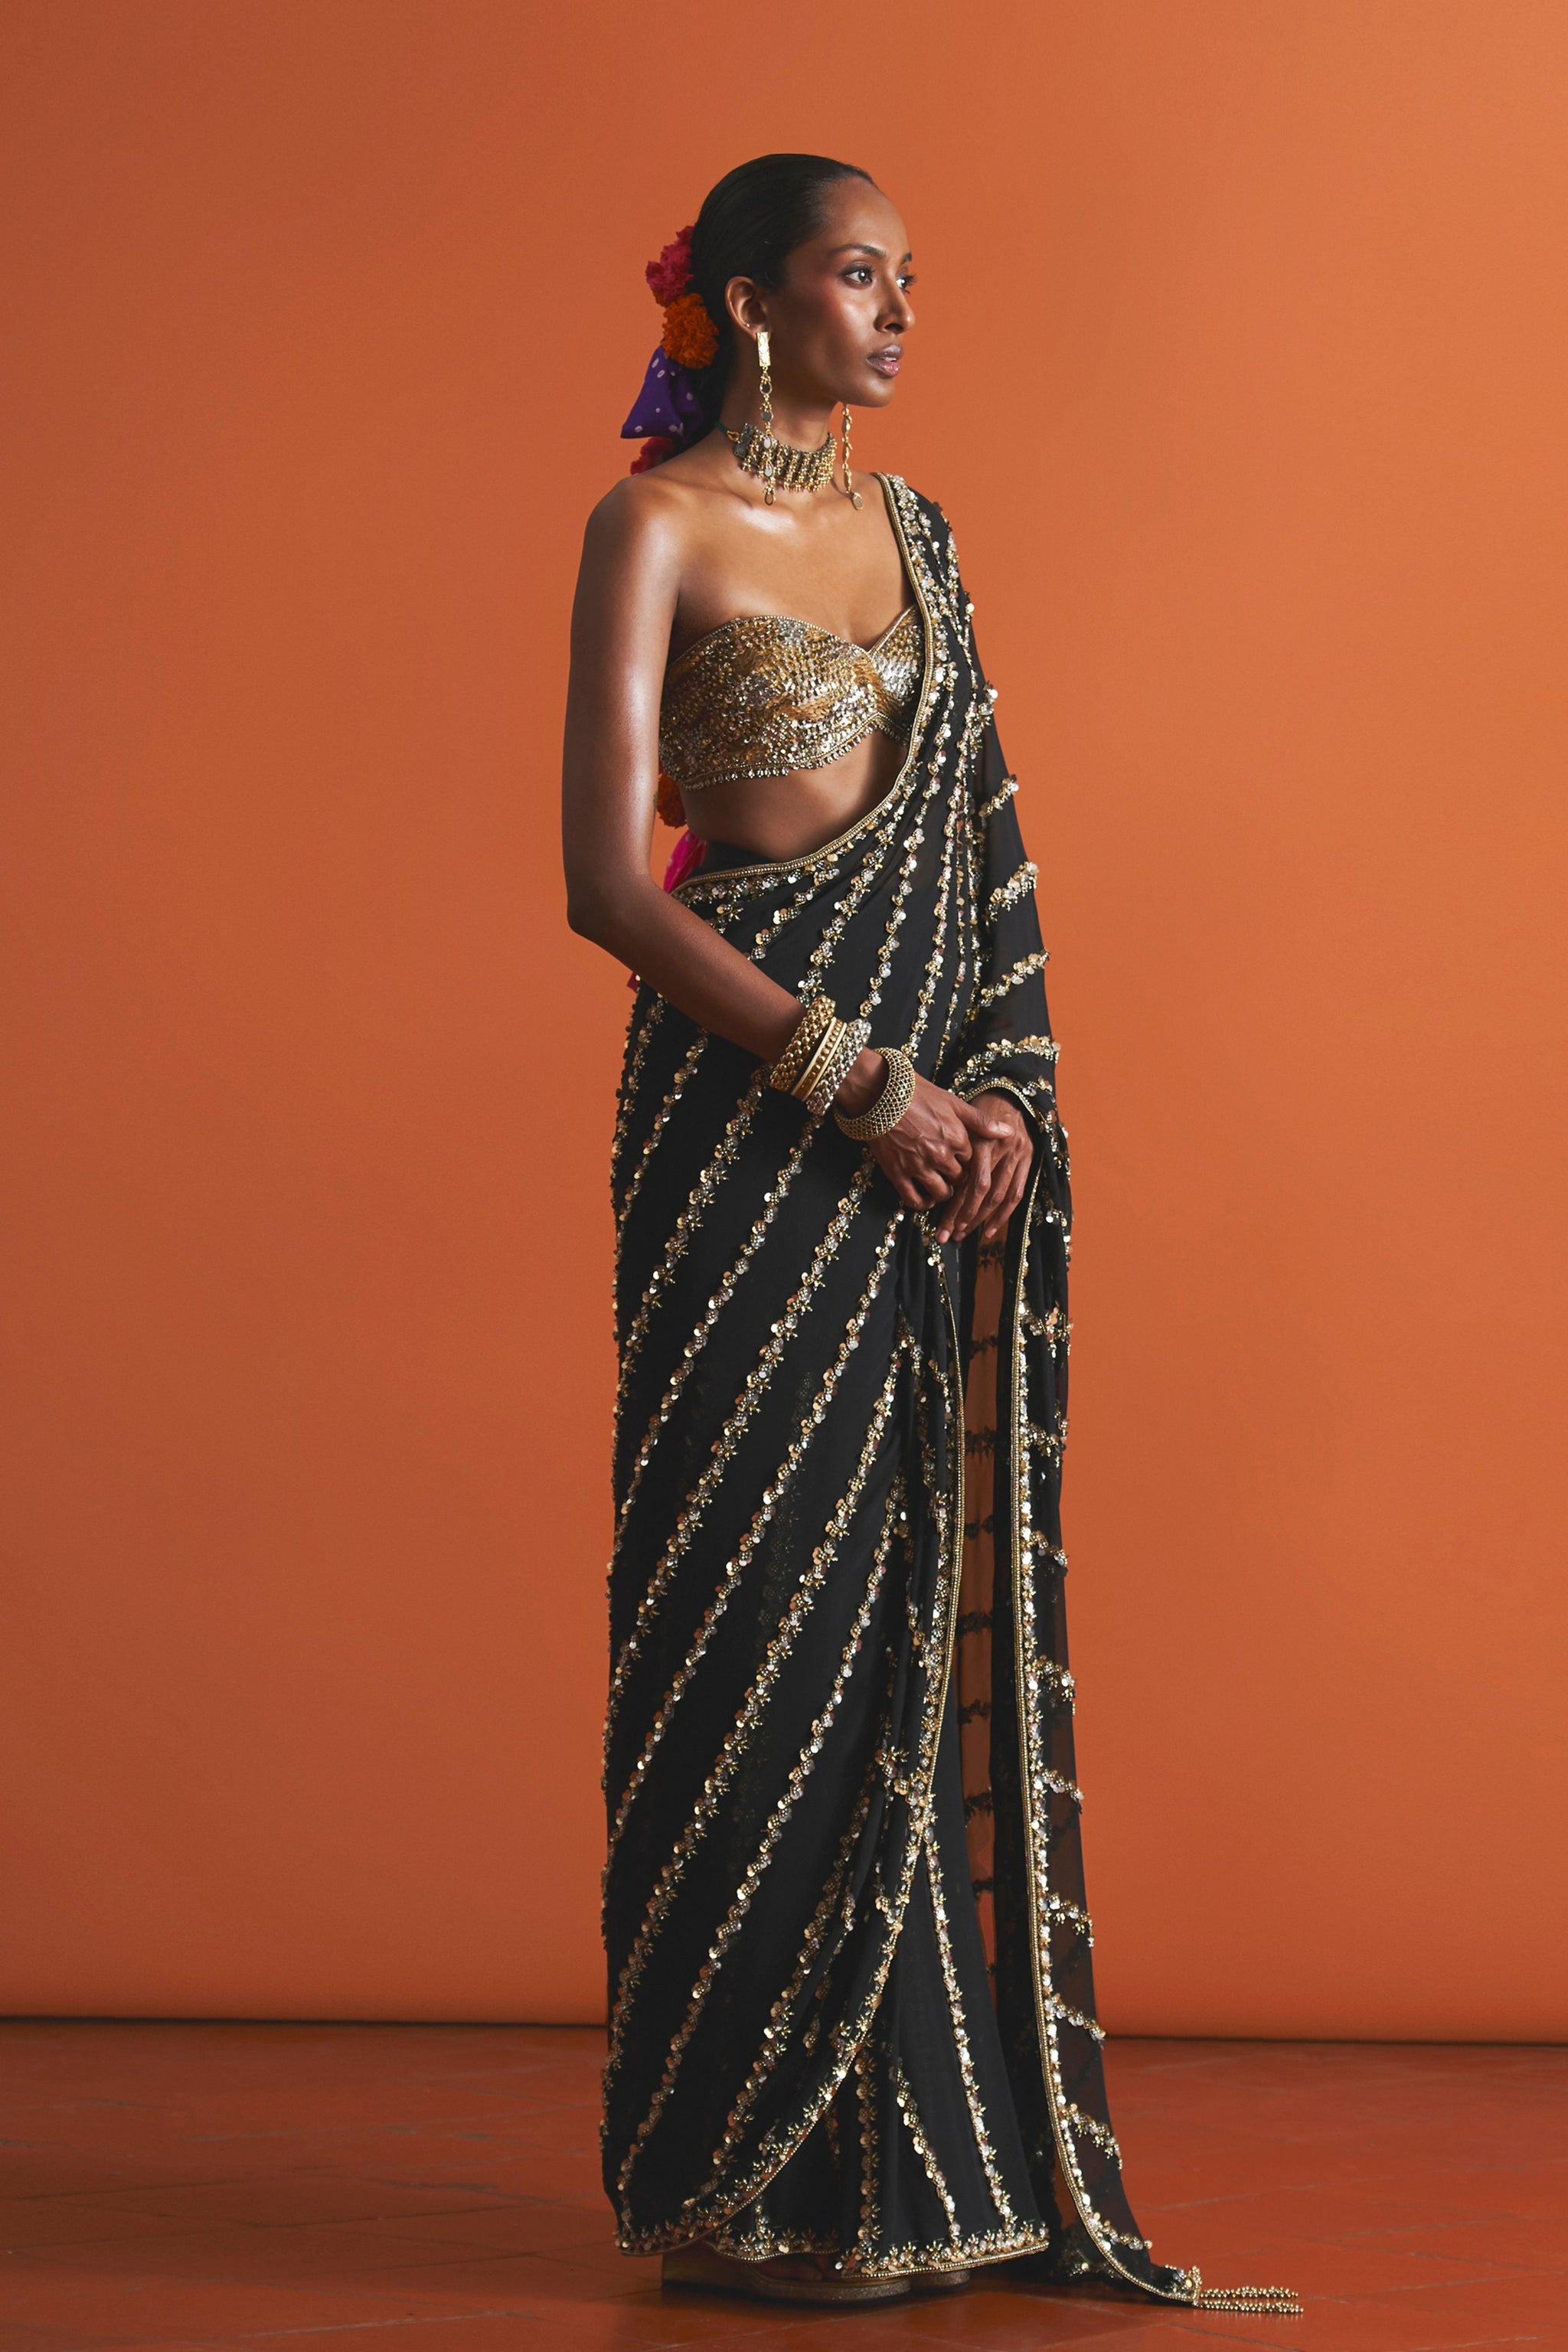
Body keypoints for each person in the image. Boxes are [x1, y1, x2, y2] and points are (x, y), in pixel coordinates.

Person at [561, 153, 1296, 2318]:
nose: (896, 312)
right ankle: (741, 2175)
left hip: (930, 1138)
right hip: (747, 1136)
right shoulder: (655, 526)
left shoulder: (924, 538)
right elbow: (607, 885)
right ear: (751, 303)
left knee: (902, 1593)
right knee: (750, 1612)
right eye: (858, 276)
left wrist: (995, 1105)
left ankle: (918, 2154)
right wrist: (862, 1089)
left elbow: (983, 856)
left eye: (907, 281)